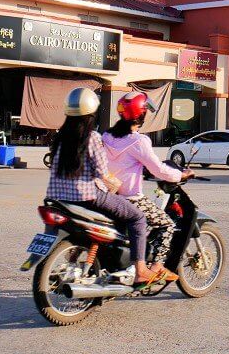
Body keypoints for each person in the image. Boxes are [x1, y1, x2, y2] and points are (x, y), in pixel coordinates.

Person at [46, 87, 160, 287]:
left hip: (57, 198)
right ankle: (141, 269)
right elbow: (102, 173)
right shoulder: (92, 137)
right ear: (92, 114)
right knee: (137, 217)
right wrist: (116, 183)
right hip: (88, 196)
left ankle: (79, 259)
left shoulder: (60, 138)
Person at [103, 92, 192, 282]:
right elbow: (159, 170)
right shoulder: (139, 141)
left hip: (109, 196)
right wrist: (181, 174)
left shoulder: (107, 136)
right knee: (167, 224)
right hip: (131, 198)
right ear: (141, 114)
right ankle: (157, 267)